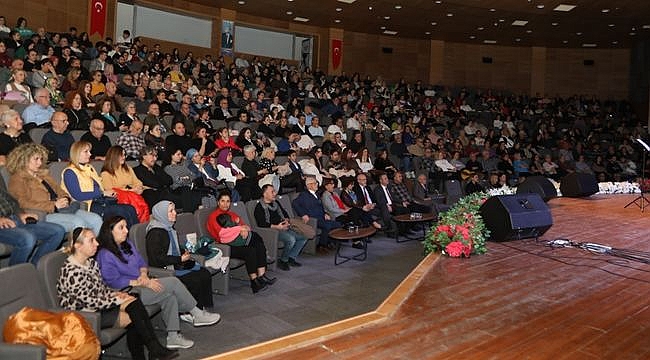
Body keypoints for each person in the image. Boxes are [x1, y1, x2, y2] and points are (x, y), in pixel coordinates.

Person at [96, 216, 221, 350]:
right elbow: (112, 281)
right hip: (127, 292)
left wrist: (144, 275)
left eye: (126, 226)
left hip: (143, 282)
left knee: (170, 297)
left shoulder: (128, 245)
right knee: (173, 282)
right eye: (121, 227)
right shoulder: (105, 254)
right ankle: (196, 313)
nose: (126, 231)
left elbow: (142, 263)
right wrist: (142, 283)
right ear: (110, 232)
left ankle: (173, 337)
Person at [57, 227, 179, 360]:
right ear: (78, 246)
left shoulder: (91, 263)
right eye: (91, 241)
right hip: (84, 314)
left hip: (99, 306)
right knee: (134, 314)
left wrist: (116, 294)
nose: (97, 244)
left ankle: (151, 350)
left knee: (133, 300)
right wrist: (116, 300)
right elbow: (89, 301)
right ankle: (150, 351)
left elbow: (100, 289)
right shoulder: (71, 271)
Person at [6, 143, 103, 235]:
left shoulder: (44, 175)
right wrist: (53, 205)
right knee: (78, 222)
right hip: (44, 213)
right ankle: (78, 251)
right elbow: (21, 202)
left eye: (41, 159)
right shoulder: (18, 178)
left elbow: (60, 190)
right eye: (36, 159)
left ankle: (96, 250)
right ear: (24, 160)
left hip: (63, 209)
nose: (40, 162)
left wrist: (65, 198)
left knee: (95, 219)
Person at [146, 201, 215, 309]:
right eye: (171, 211)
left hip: (176, 263)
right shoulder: (155, 233)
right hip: (166, 269)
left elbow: (174, 248)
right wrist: (179, 259)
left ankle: (204, 306)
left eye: (174, 210)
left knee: (204, 273)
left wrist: (183, 252)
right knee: (194, 279)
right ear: (162, 214)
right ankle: (192, 310)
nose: (175, 213)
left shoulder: (169, 228)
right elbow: (157, 259)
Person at [206, 191, 276, 293]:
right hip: (225, 246)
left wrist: (244, 229)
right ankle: (254, 281)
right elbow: (222, 234)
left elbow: (246, 226)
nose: (225, 204)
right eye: (223, 201)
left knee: (258, 243)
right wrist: (240, 229)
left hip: (238, 241)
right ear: (218, 202)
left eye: (228, 201)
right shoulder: (214, 217)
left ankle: (261, 276)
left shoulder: (231, 214)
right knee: (250, 250)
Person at [62, 141, 139, 227]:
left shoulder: (89, 168)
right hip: (86, 205)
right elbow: (78, 195)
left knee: (130, 208)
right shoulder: (69, 172)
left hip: (99, 201)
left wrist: (107, 194)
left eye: (89, 151)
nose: (90, 154)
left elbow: (99, 188)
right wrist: (102, 193)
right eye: (86, 151)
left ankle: (133, 237)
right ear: (77, 153)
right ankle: (125, 237)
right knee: (122, 211)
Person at [0, 187, 64, 265]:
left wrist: (21, 214)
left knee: (58, 231)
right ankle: (14, 275)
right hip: (2, 226)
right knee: (27, 238)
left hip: (15, 218)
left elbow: (12, 202)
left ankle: (36, 267)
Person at [254, 184, 307, 271]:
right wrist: (278, 227)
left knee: (303, 237)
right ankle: (283, 260)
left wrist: (286, 221)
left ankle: (291, 258)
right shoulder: (259, 207)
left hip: (283, 227)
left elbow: (284, 213)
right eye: (272, 192)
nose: (275, 193)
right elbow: (262, 224)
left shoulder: (276, 203)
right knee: (291, 239)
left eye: (274, 191)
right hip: (272, 231)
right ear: (265, 194)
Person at [101, 146, 151, 220]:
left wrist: (139, 187)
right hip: (120, 198)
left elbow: (137, 181)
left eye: (124, 155)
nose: (124, 157)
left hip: (133, 193)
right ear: (114, 156)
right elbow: (110, 191)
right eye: (121, 155)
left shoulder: (128, 168)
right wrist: (131, 191)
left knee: (150, 193)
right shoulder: (106, 173)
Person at [292, 176, 340, 252]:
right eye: (315, 183)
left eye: (316, 183)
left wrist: (325, 213)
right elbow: (295, 203)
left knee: (337, 224)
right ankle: (321, 245)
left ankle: (329, 242)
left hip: (321, 217)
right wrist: (303, 214)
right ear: (309, 185)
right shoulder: (304, 195)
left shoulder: (316, 194)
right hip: (313, 219)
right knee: (327, 225)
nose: (317, 184)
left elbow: (321, 206)